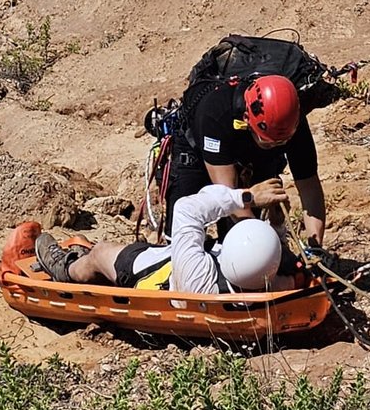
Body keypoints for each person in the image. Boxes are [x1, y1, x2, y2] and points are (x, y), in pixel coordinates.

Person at [31, 178, 296, 294]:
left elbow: (187, 209)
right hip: (185, 268)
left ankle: (67, 268)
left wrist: (246, 196)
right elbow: (269, 257)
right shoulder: (274, 283)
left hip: (154, 277)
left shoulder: (199, 276)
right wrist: (277, 225)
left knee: (101, 253)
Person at [163, 71, 327, 246]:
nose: (276, 145)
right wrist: (269, 248)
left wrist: (314, 248)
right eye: (269, 141)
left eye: (283, 143)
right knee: (182, 236)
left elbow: (309, 186)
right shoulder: (215, 114)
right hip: (198, 148)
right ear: (247, 119)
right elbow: (226, 197)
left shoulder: (291, 122)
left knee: (240, 241)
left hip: (252, 154)